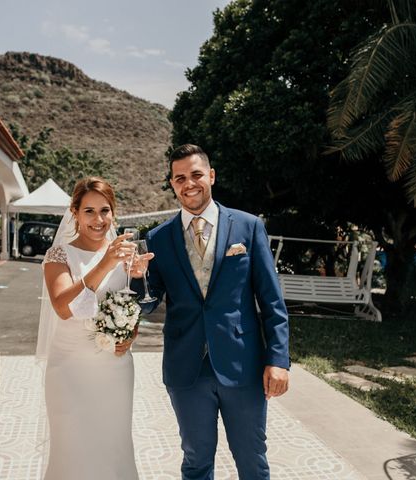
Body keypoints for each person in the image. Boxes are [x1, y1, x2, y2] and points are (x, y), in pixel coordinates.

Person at [142, 144, 290, 479]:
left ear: (211, 175)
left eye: (196, 174)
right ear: (172, 183)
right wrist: (136, 279)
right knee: (196, 461)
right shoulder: (158, 238)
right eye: (180, 178)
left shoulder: (248, 227)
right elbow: (149, 302)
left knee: (252, 461)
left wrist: (278, 360)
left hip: (243, 365)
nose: (189, 183)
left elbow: (271, 301)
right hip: (186, 368)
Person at [36, 177, 151, 480]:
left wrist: (130, 334)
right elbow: (63, 307)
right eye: (89, 211)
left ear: (113, 213)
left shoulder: (126, 257)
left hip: (115, 371)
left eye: (105, 210)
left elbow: (128, 307)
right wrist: (105, 262)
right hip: (70, 371)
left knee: (114, 446)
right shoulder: (59, 255)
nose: (98, 220)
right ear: (74, 212)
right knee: (73, 449)